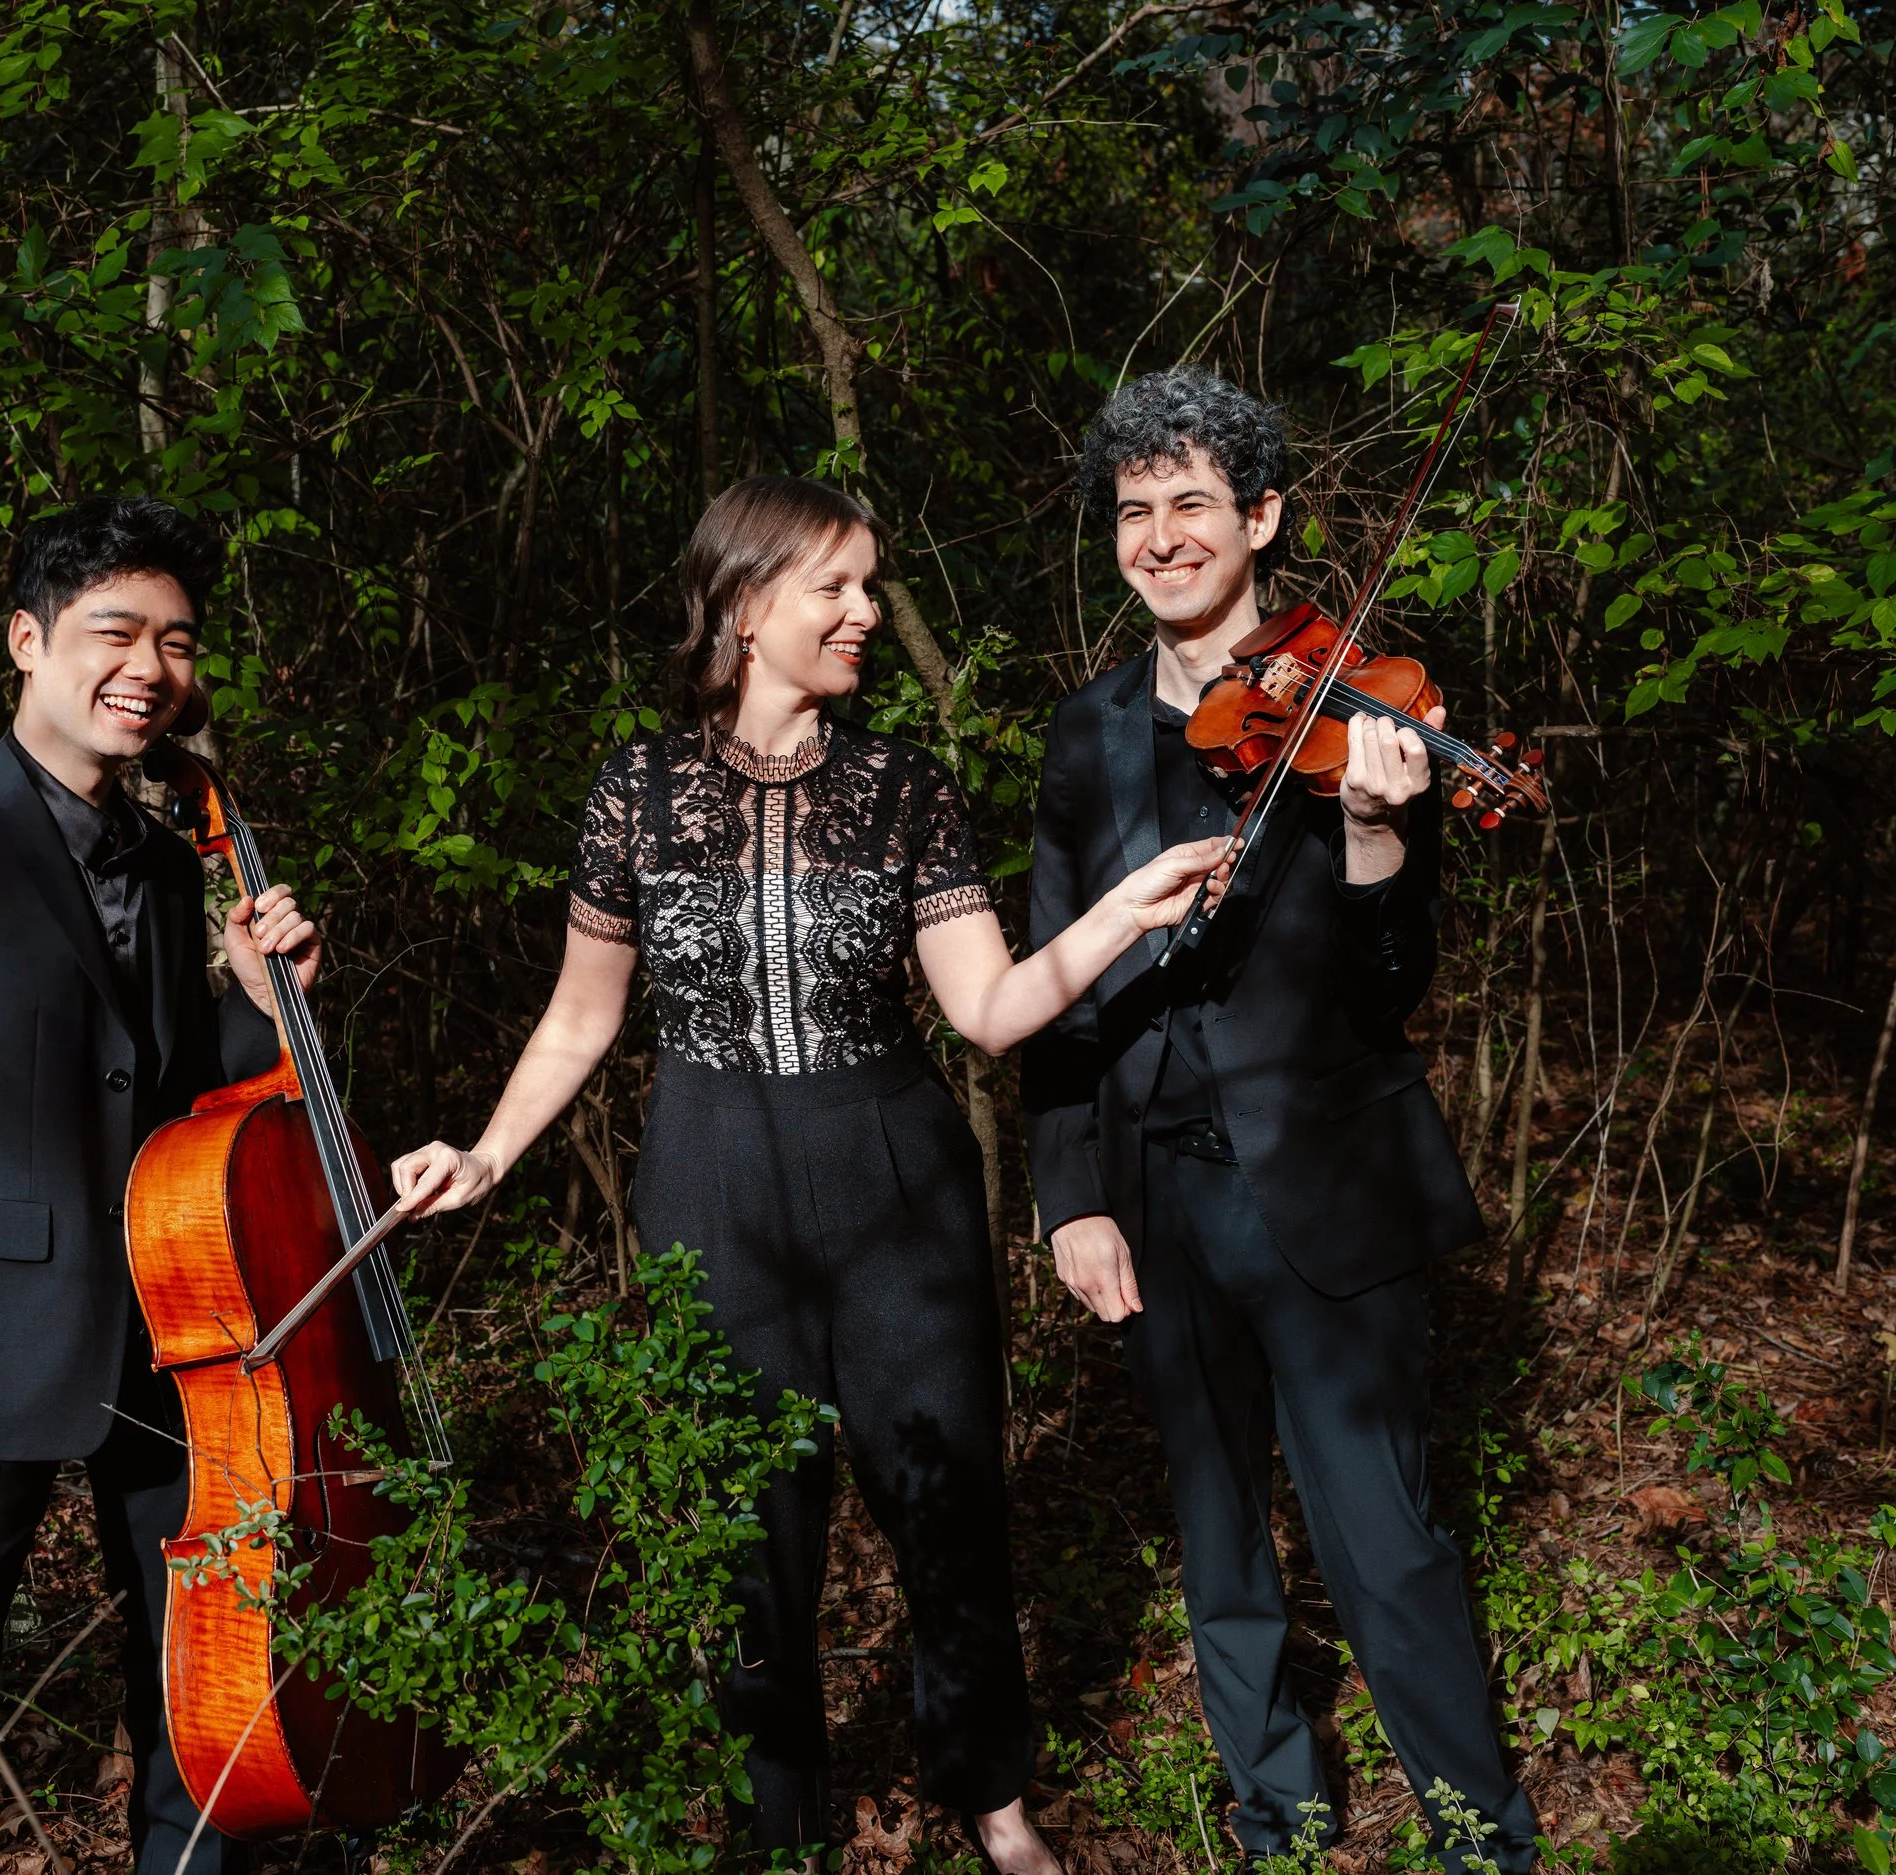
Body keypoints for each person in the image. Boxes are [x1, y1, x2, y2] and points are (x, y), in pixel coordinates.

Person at [391, 475, 1228, 1873]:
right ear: (742, 604)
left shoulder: (903, 786)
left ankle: (992, 1797)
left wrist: (1118, 919)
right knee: (747, 1528)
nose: (864, 614)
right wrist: (485, 1149)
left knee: (947, 1501)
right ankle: (777, 1827)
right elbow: (582, 1016)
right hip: (710, 1177)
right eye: (834, 586)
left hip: (897, 1176)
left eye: (869, 586)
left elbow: (989, 1009)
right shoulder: (637, 790)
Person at [1023, 366, 1538, 1872]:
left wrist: (1376, 833)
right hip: (1156, 1193)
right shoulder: (1083, 734)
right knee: (1218, 1540)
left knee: (1388, 1542)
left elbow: (1393, 986)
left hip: (1327, 1185)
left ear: (1261, 516)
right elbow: (1054, 982)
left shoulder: (1352, 706)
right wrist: (1072, 1195)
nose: (1161, 536)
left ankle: (1482, 1842)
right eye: (1135, 510)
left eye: (1192, 503)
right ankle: (1280, 1823)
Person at [0, 496, 319, 1875]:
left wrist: (259, 1005)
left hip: (171, 1339)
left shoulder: (164, 860)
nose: (151, 666)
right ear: (27, 641)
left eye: (178, 642)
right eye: (115, 632)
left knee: (198, 1695)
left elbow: (175, 1098)